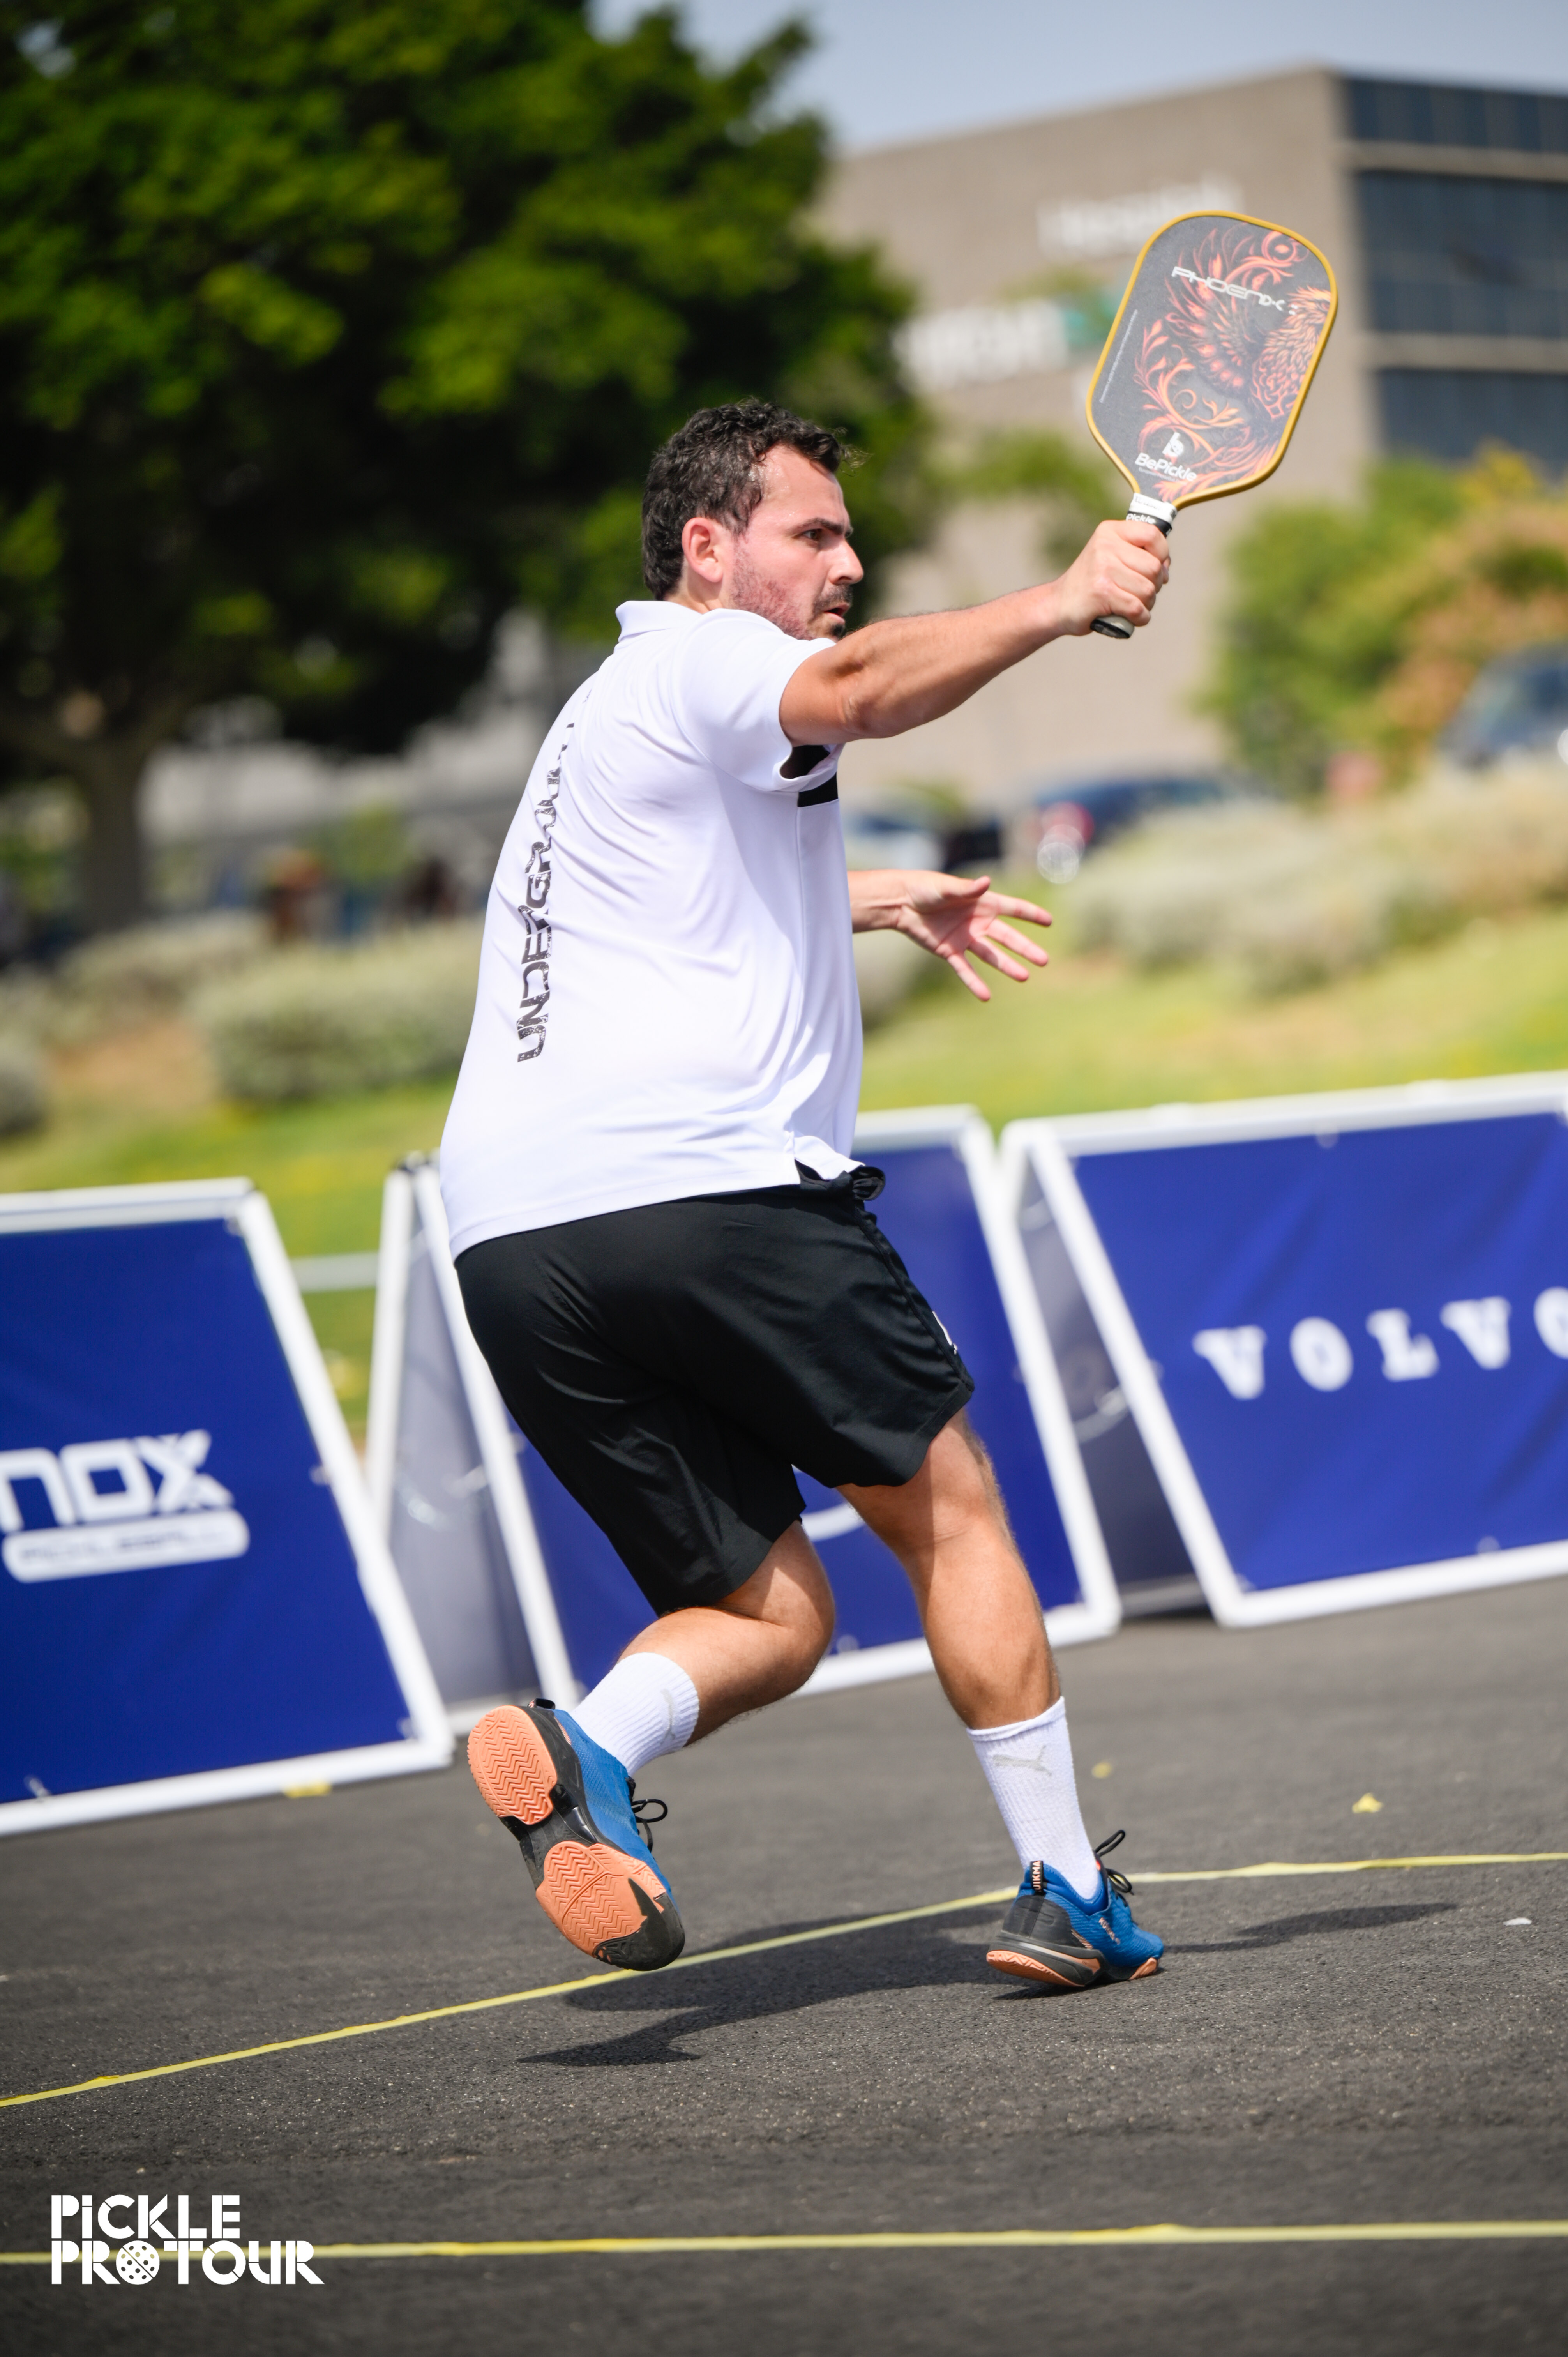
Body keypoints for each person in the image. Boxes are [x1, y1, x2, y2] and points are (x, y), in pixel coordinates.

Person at [440, 401, 1170, 1993]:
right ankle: (1067, 1890)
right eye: (813, 534)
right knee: (950, 1513)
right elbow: (856, 689)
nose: (847, 564)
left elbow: (672, 911)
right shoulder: (713, 658)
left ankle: (585, 1747)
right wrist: (1061, 599)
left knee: (764, 1613)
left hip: (509, 1242)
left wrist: (879, 895)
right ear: (707, 548)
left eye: (850, 537)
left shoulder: (604, 710)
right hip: (708, 1192)